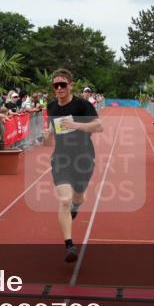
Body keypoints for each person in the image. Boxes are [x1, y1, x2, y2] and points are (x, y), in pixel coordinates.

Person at [45, 68, 103, 262]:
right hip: (61, 158)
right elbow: (52, 131)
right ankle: (69, 245)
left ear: (70, 85)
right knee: (64, 200)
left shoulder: (82, 105)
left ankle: (76, 205)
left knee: (78, 196)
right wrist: (47, 135)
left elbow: (98, 126)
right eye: (56, 85)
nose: (59, 88)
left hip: (84, 157)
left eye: (63, 84)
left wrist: (77, 125)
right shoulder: (51, 107)